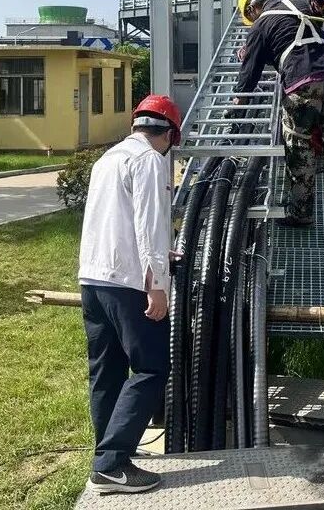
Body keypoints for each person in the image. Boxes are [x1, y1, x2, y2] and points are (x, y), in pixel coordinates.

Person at [79, 94, 182, 495]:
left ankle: (108, 453)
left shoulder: (107, 159)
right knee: (151, 368)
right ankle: (111, 464)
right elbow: (149, 223)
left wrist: (158, 254)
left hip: (94, 279)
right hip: (129, 284)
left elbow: (115, 220)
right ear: (169, 135)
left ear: (136, 125)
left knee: (106, 371)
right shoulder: (150, 160)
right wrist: (157, 286)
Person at [235, 0, 324, 227]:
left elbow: (250, 72)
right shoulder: (299, 5)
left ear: (252, 9)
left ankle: (302, 213)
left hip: (301, 83)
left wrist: (239, 100)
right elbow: (293, 39)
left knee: (299, 148)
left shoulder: (260, 25)